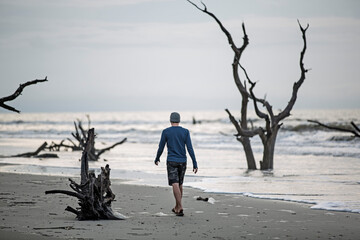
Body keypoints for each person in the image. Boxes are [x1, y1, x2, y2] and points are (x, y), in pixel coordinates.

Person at [154, 112, 198, 217]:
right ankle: (177, 207)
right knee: (180, 184)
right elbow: (190, 148)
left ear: (170, 120)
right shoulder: (185, 132)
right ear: (179, 120)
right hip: (183, 161)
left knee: (175, 184)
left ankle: (180, 206)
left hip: (172, 161)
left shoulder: (166, 132)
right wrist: (195, 163)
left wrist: (157, 158)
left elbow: (161, 147)